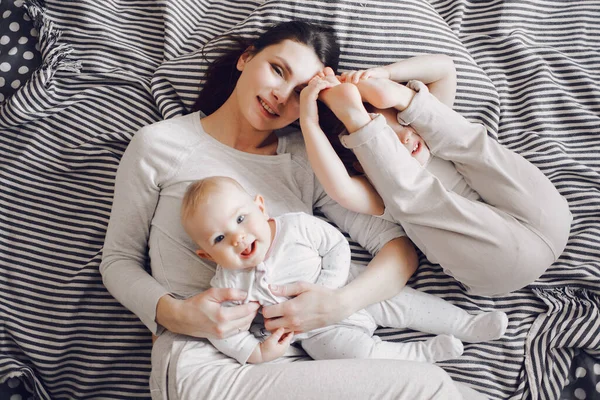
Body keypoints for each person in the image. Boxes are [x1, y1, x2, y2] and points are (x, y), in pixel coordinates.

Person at [100, 20, 488, 399]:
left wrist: (339, 304)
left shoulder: (305, 161)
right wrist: (176, 314)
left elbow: (397, 248)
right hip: (206, 364)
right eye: (277, 70)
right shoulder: (160, 145)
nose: (281, 96)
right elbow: (118, 260)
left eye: (301, 89)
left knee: (462, 392)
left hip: (296, 359)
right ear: (246, 57)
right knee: (427, 386)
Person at [299, 56, 572, 297]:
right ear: (361, 165)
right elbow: (339, 189)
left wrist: (386, 74)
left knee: (470, 143)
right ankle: (359, 122)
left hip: (548, 214)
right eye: (391, 139)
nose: (406, 138)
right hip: (496, 265)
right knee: (412, 194)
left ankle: (404, 101)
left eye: (403, 123)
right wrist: (308, 122)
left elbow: (445, 68)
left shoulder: (433, 134)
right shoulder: (378, 193)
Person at [181, 176, 509, 365]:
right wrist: (256, 352)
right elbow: (222, 329)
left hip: (353, 287)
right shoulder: (228, 282)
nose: (238, 237)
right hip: (317, 333)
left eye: (241, 219)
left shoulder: (294, 227)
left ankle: (467, 323)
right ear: (207, 255)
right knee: (356, 357)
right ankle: (419, 354)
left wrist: (330, 289)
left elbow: (335, 246)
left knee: (406, 303)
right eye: (220, 238)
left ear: (261, 207)